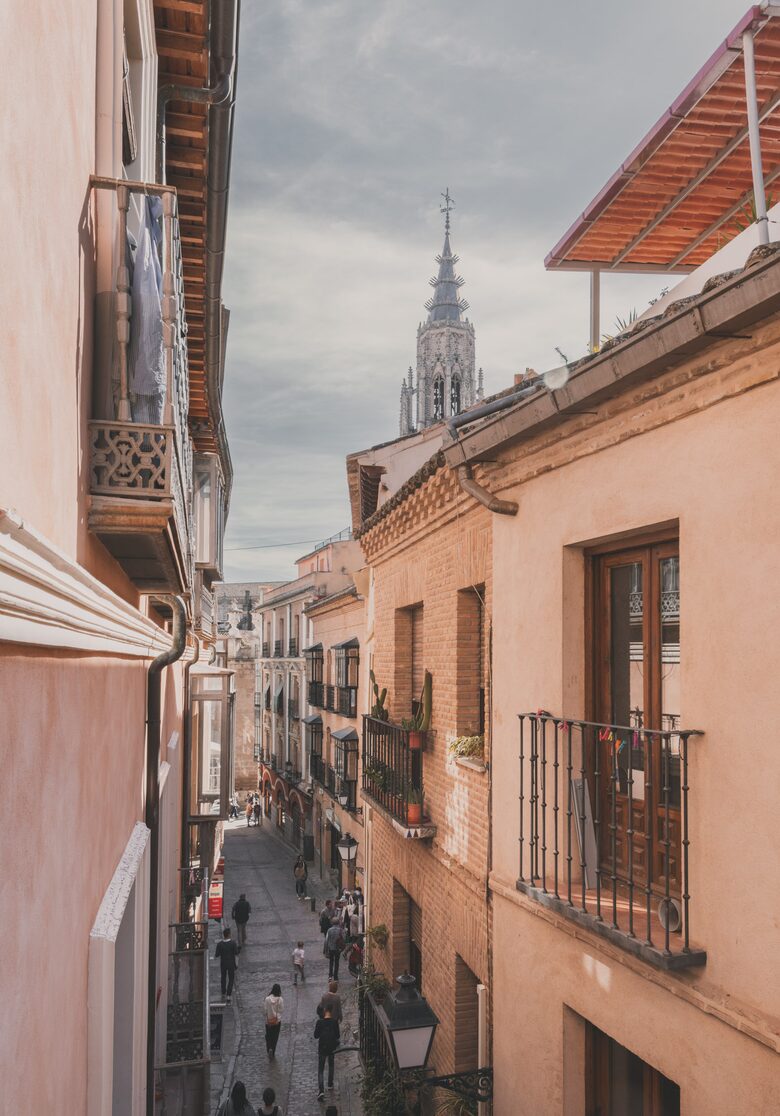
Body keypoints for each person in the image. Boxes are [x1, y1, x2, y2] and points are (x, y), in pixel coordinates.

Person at [314, 1005, 340, 1100]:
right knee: (331, 1065)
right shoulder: (334, 1022)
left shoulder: (319, 1022)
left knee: (321, 1069)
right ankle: (330, 1083)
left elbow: (316, 1036)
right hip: (331, 1047)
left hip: (322, 1047)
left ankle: (321, 1090)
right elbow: (337, 1035)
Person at [215, 926, 239, 1003]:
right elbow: (236, 953)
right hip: (231, 963)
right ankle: (229, 994)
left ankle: (223, 992)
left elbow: (217, 955)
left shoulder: (220, 944)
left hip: (223, 963)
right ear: (229, 934)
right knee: (231, 979)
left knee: (223, 977)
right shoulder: (233, 943)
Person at [264, 983, 284, 1058]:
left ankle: (269, 1048)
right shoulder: (280, 999)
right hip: (277, 1021)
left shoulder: (267, 999)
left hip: (268, 1021)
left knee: (268, 1035)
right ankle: (273, 1049)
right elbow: (281, 1010)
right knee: (275, 1036)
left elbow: (264, 1011)